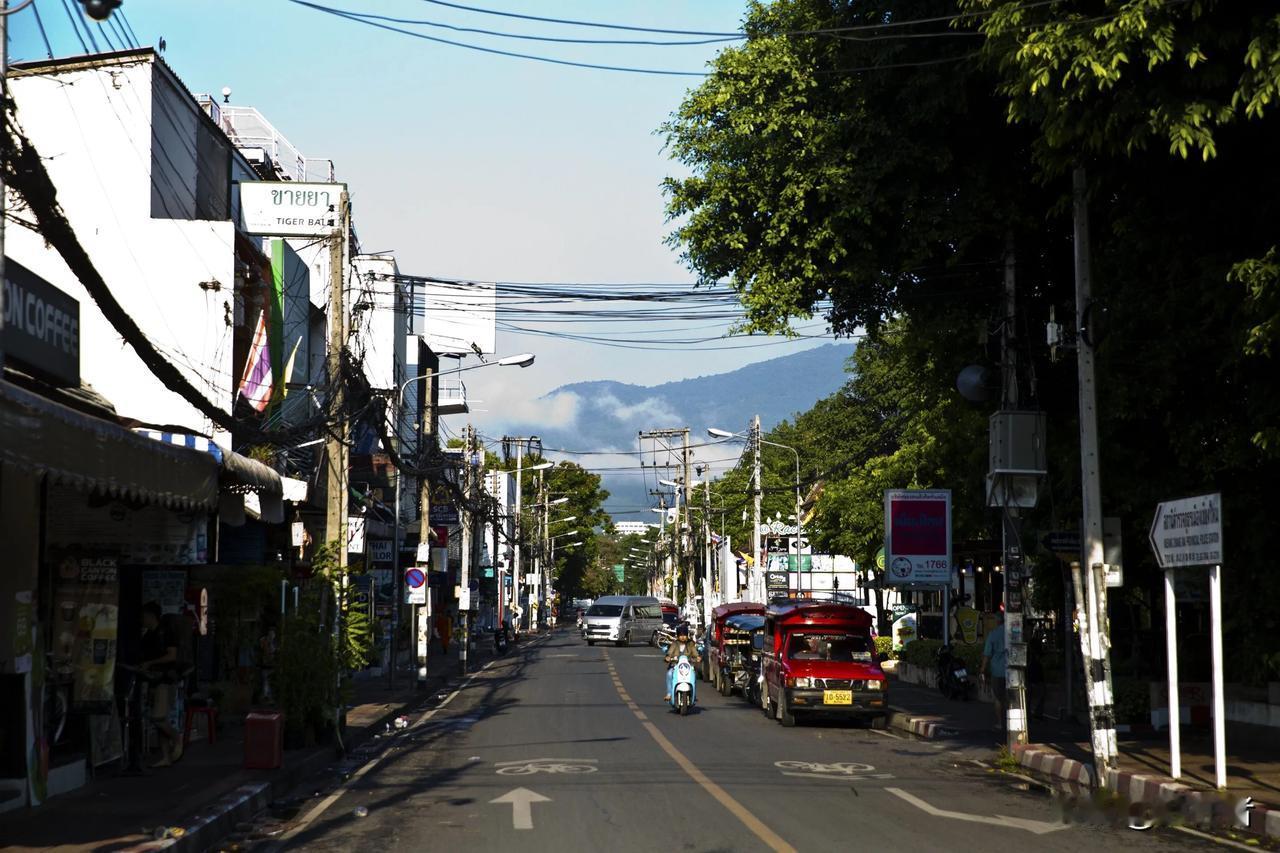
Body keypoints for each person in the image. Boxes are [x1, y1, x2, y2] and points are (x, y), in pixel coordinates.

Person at [139, 601, 183, 767]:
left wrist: (150, 663)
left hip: (165, 679)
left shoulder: (166, 632)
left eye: (144, 616)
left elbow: (172, 656)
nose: (142, 619)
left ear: (151, 616)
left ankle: (176, 738)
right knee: (159, 719)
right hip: (153, 680)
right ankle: (166, 756)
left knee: (157, 718)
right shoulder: (148, 636)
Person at [981, 611, 1008, 731]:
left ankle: (1000, 722)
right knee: (1010, 698)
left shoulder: (993, 634)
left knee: (998, 698)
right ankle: (1011, 722)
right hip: (1011, 670)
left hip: (997, 671)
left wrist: (982, 670)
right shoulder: (1010, 632)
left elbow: (987, 654)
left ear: (997, 621)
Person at [663, 623, 701, 702]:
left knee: (694, 675)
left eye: (684, 635)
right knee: (669, 674)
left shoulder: (691, 644)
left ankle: (693, 693)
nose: (683, 637)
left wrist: (697, 657)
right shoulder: (674, 644)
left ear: (687, 635)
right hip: (675, 665)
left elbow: (695, 653)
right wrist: (668, 657)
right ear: (677, 636)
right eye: (681, 635)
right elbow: (669, 652)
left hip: (688, 666)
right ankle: (669, 693)